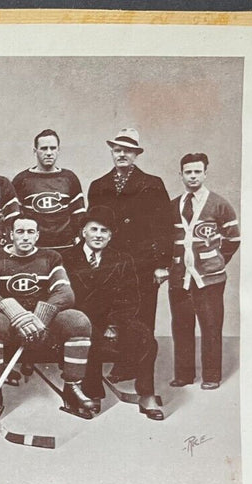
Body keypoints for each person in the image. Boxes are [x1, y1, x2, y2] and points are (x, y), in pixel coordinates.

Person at [0, 217, 96, 419]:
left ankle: (73, 386)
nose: (25, 237)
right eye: (20, 232)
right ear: (11, 235)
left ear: (37, 235)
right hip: (10, 321)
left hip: (41, 323)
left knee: (78, 321)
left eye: (30, 232)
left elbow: (65, 293)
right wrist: (15, 312)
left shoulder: (50, 257)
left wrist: (39, 317)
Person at [61, 206, 163, 419]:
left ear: (110, 235)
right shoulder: (65, 258)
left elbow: (131, 297)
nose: (98, 235)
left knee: (146, 338)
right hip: (77, 320)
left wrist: (114, 325)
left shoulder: (122, 258)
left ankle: (146, 394)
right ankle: (92, 393)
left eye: (104, 231)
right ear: (83, 232)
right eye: (94, 229)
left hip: (112, 319)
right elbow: (60, 295)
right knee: (90, 337)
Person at [86, 128, 173, 353]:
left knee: (142, 318)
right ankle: (113, 364)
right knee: (108, 314)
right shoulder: (98, 186)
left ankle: (141, 365)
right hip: (110, 263)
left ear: (136, 155)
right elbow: (92, 227)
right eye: (117, 150)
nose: (122, 154)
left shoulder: (152, 184)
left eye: (128, 151)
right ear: (112, 153)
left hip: (143, 263)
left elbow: (165, 226)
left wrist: (162, 265)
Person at [167, 152, 240, 391]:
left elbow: (233, 238)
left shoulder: (219, 204)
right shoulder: (173, 205)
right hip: (180, 277)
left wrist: (216, 260)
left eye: (197, 171)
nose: (193, 176)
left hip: (209, 279)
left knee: (210, 326)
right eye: (188, 172)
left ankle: (211, 375)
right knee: (181, 326)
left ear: (205, 173)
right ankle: (184, 375)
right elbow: (166, 240)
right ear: (180, 175)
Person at [11, 129, 86, 252]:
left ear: (58, 150)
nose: (49, 153)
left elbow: (79, 215)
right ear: (35, 151)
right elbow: (14, 217)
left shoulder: (69, 178)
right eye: (44, 149)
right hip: (34, 249)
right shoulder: (22, 179)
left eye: (53, 148)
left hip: (65, 247)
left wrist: (79, 240)